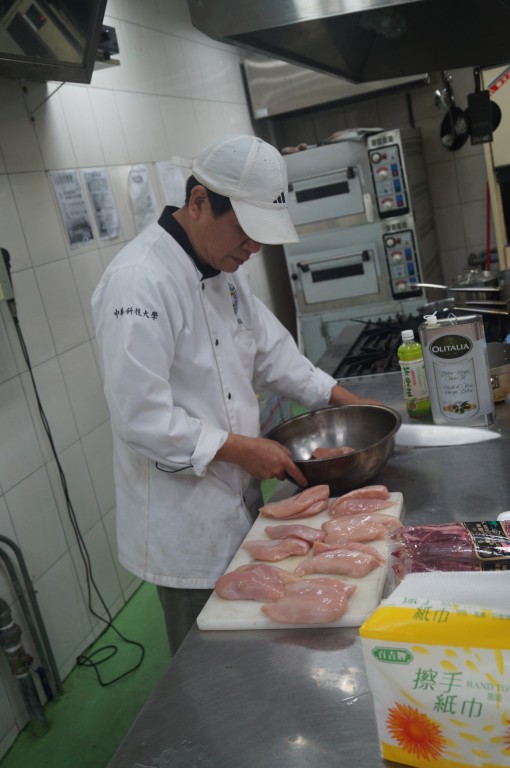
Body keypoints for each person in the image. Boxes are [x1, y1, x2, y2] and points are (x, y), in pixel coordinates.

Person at [91, 134, 376, 655]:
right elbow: (140, 419)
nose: (253, 248)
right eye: (245, 231)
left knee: (263, 636)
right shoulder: (139, 282)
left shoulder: (223, 267)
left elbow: (272, 353)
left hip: (239, 500)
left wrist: (348, 401)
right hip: (185, 521)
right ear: (199, 201)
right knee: (212, 661)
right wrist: (244, 449)